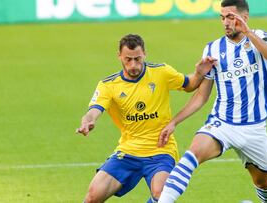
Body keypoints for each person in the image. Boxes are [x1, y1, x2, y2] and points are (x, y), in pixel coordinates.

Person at [157, 0, 267, 202]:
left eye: (231, 17)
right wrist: (174, 122)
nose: (226, 22)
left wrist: (249, 33)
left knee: (263, 182)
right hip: (223, 123)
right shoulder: (213, 49)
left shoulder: (260, 37)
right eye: (222, 17)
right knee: (192, 154)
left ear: (244, 17)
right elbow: (201, 96)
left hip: (254, 128)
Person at [76, 34, 216, 203]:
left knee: (161, 195)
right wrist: (88, 121)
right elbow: (94, 110)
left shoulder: (161, 72)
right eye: (128, 59)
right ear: (119, 56)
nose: (133, 65)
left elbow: (190, 85)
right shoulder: (108, 85)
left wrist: (199, 73)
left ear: (145, 54)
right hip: (128, 151)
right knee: (92, 196)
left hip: (161, 151)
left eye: (137, 59)